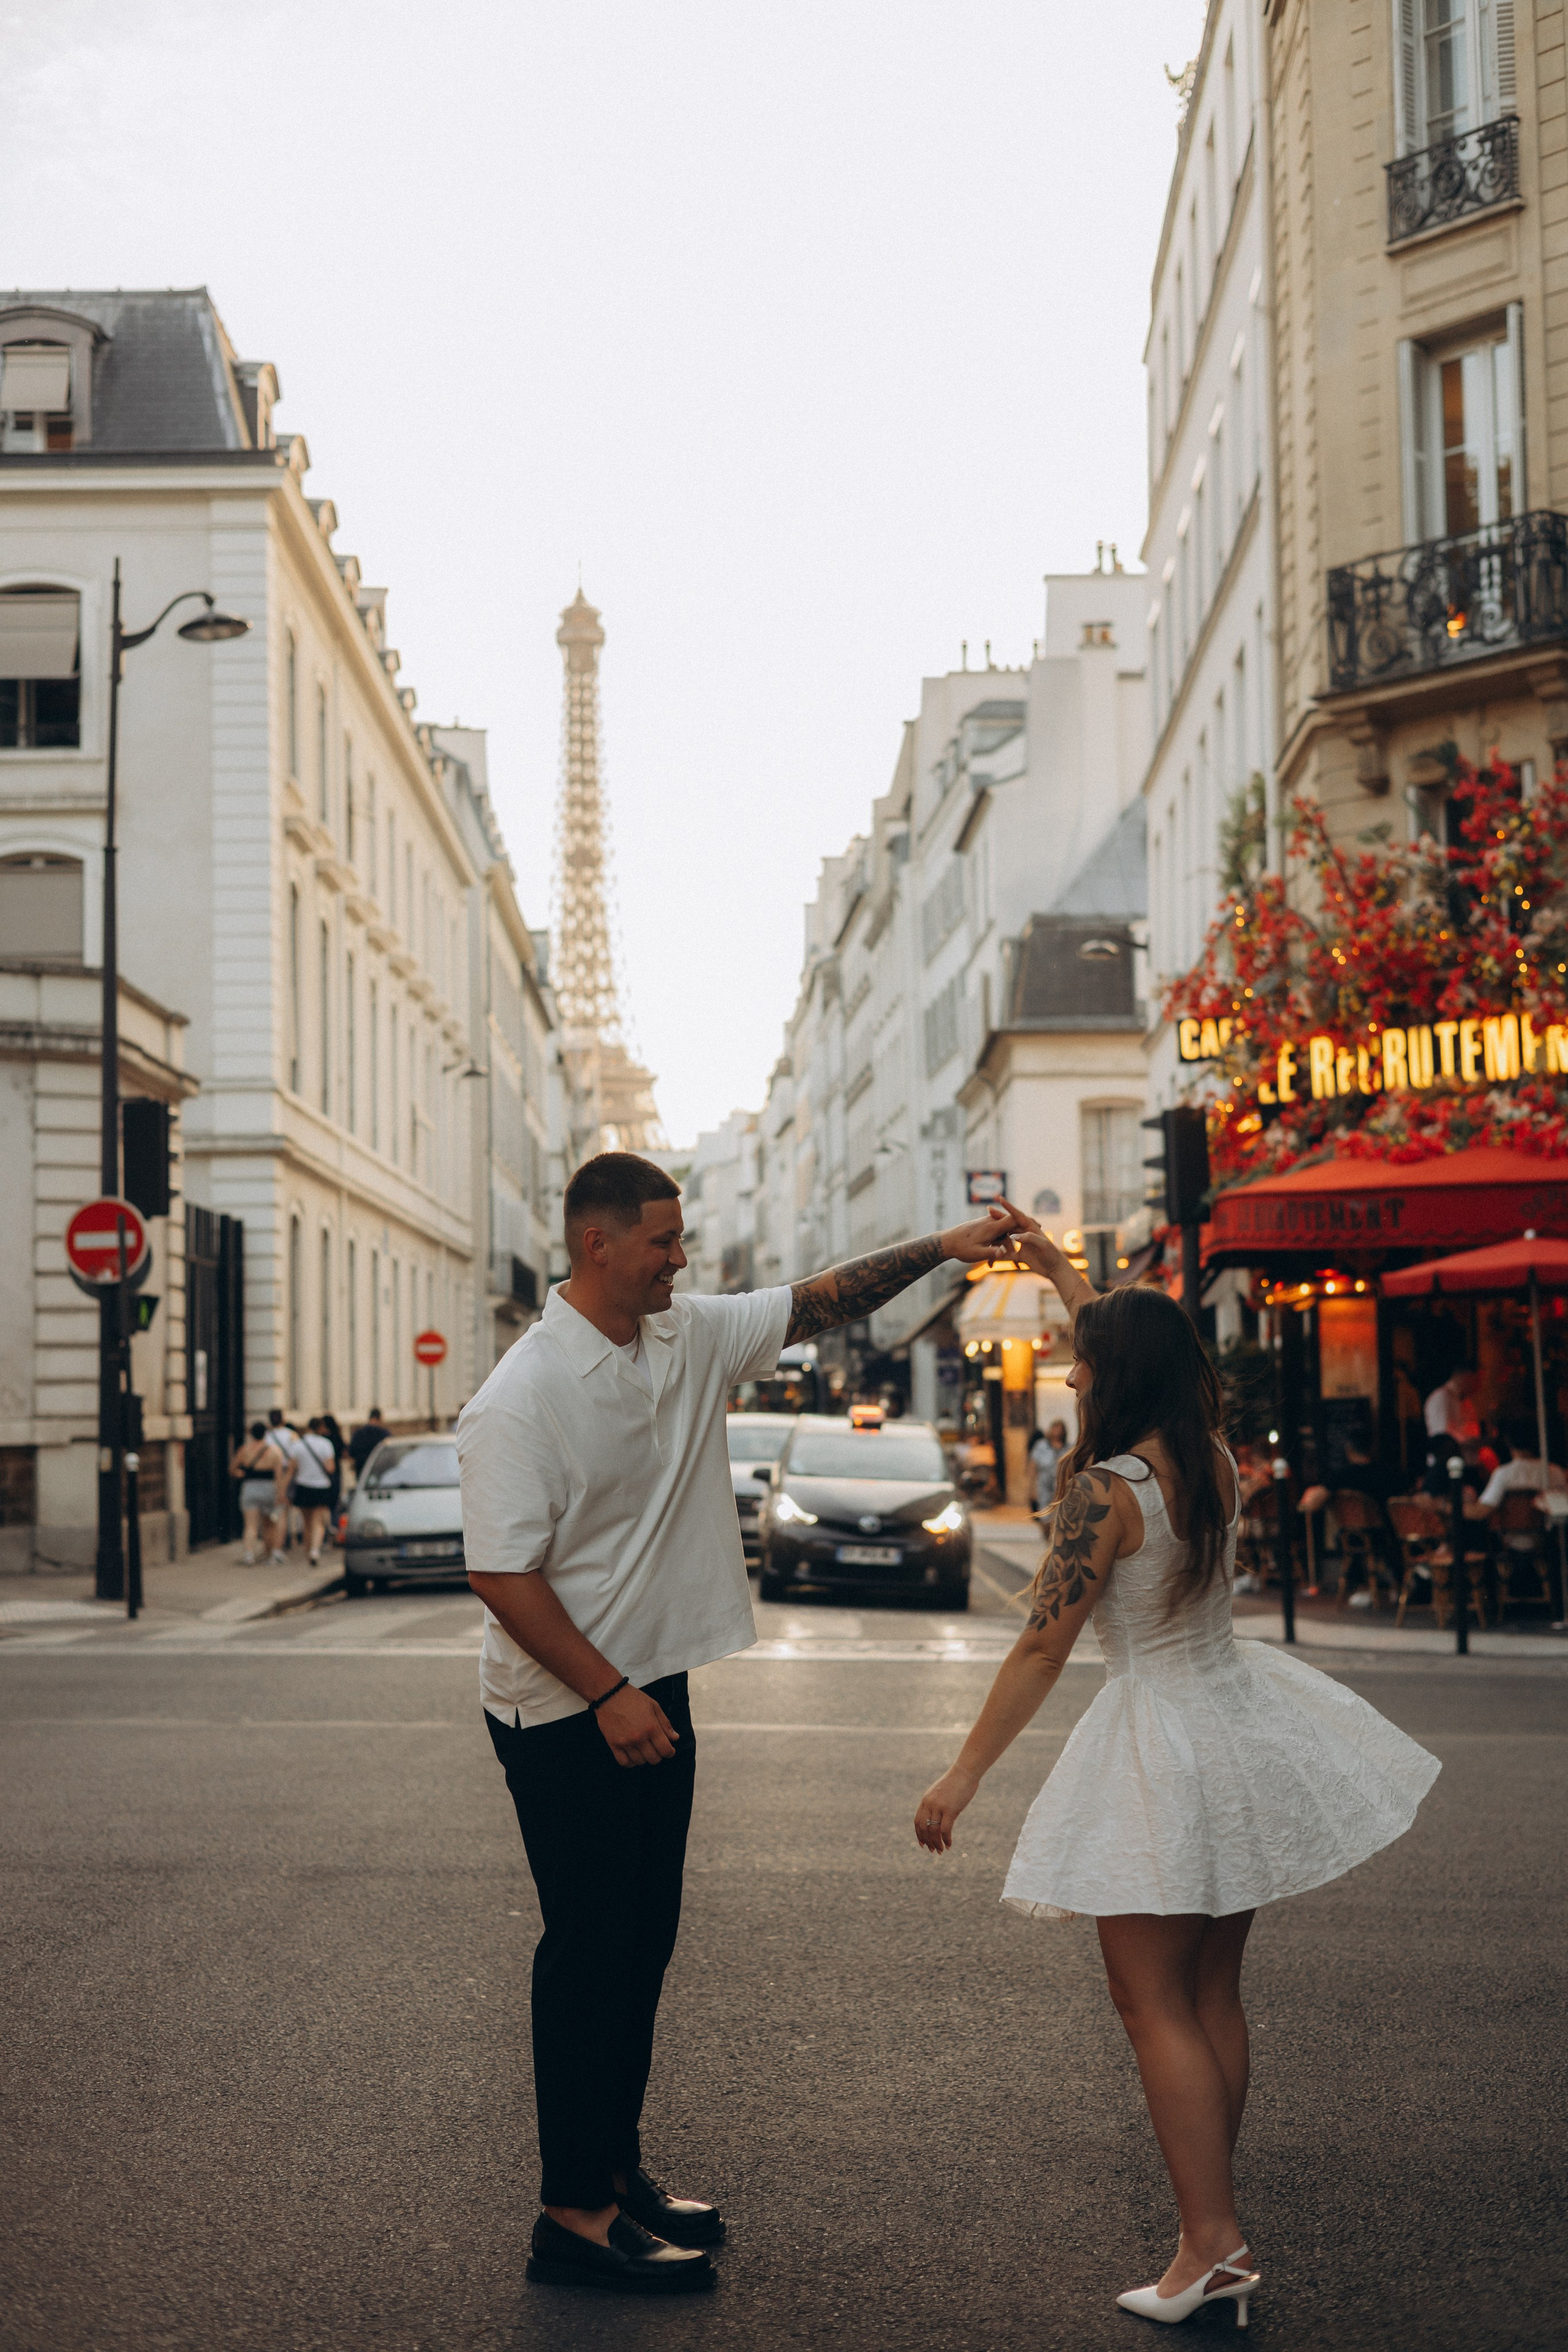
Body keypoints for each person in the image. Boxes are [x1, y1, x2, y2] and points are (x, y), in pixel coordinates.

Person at [458, 1150, 1027, 2297]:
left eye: (681, 1239)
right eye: (663, 1241)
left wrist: (945, 1249)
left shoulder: (683, 1335)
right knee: (588, 1952)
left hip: (647, 1687)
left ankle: (613, 2173)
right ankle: (571, 2216)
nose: (683, 1258)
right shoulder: (521, 1396)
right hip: (563, 1706)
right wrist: (607, 1695)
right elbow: (501, 1575)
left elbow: (821, 1300)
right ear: (598, 1245)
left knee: (644, 1943)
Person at [913, 1210, 1439, 2329]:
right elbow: (1134, 1344)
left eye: (1080, 1361)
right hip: (1234, 1722)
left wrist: (964, 1774)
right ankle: (1212, 2230)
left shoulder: (1102, 1491)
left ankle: (1214, 2241)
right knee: (1208, 1995)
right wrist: (1060, 1270)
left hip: (1159, 1740)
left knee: (1149, 2002)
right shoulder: (1211, 1458)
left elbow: (1043, 1647)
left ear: (1111, 1375)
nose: (1068, 1371)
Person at [229, 1422, 286, 1565]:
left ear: (251, 1434)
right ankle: (271, 1555)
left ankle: (249, 1555)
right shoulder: (275, 1451)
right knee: (270, 1525)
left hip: (250, 1488)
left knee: (250, 1525)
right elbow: (279, 1476)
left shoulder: (244, 1450)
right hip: (269, 1488)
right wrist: (280, 1494)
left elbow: (232, 1469)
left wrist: (242, 1474)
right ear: (265, 1434)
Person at [290, 1417, 336, 1565]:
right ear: (320, 1428)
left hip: (303, 1486)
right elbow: (331, 1468)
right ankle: (315, 1550)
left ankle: (307, 1552)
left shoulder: (298, 1444)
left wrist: (282, 1490)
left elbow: (292, 1469)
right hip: (321, 1486)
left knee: (307, 1523)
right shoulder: (326, 1444)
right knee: (318, 1522)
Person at [1030, 1418, 1069, 1516]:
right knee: (1044, 1512)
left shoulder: (1068, 1447)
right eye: (1056, 1429)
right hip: (1043, 1484)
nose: (1058, 1432)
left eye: (1060, 1430)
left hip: (1061, 1484)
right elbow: (1033, 1465)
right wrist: (1032, 1487)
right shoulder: (1041, 1446)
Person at [349, 1407, 390, 1479]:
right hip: (381, 1472)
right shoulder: (384, 1434)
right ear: (379, 1419)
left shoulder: (358, 1434)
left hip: (362, 1471)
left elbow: (351, 1453)